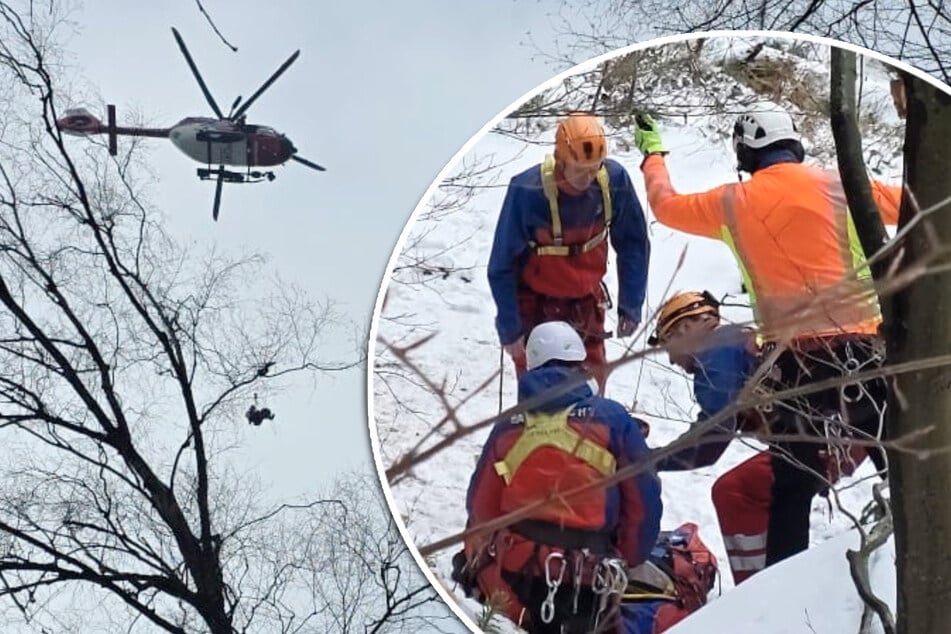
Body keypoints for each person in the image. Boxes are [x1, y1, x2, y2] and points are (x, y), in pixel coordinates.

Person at [633, 107, 899, 575]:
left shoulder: (732, 202)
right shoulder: (843, 186)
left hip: (797, 365)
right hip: (868, 356)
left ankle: (780, 597)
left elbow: (664, 204)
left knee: (791, 489)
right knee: (898, 464)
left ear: (745, 150)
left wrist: (653, 152)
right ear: (793, 142)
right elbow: (916, 202)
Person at [460, 320, 662, 633]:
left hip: (516, 571)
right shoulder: (612, 418)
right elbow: (643, 500)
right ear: (580, 363)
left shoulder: (508, 427)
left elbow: (481, 508)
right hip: (587, 580)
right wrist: (631, 556)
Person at [488, 113, 651, 393]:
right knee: (539, 397)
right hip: (535, 306)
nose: (587, 177)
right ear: (559, 158)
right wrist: (510, 327)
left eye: (594, 168)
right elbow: (502, 264)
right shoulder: (528, 191)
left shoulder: (612, 182)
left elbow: (633, 242)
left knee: (590, 394)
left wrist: (631, 304)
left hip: (585, 306)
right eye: (579, 168)